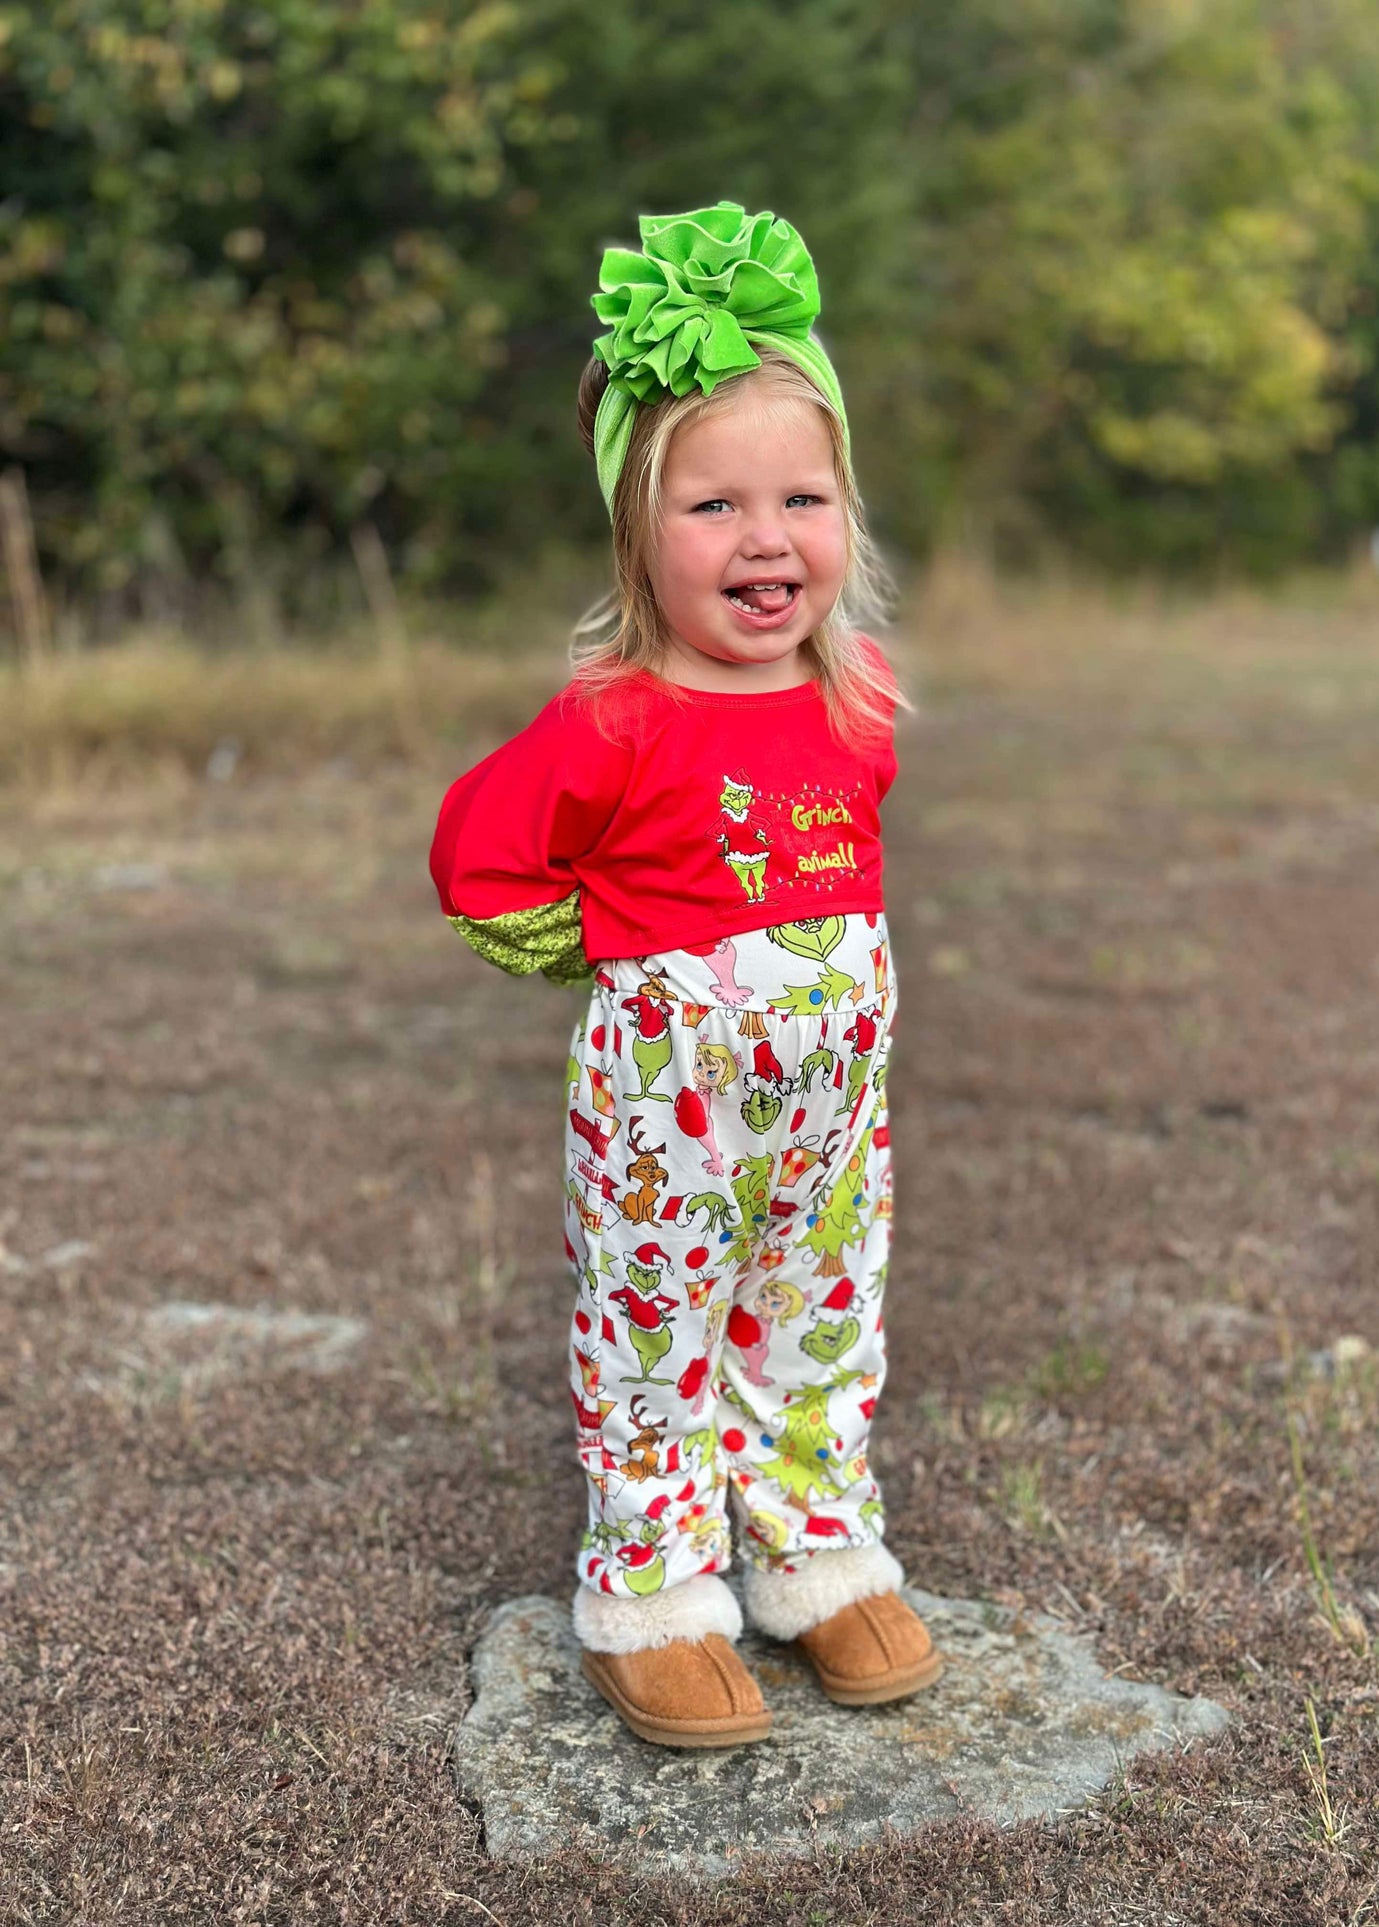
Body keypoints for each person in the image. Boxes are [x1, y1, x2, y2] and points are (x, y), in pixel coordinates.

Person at [429, 199, 943, 1747]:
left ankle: (810, 1549)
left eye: (802, 496)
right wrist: (618, 948)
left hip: (831, 1119)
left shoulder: (854, 702)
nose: (767, 537)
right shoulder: (615, 718)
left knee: (817, 1309)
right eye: (713, 507)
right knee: (659, 1320)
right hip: (669, 1108)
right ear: (637, 536)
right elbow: (481, 854)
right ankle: (650, 1582)